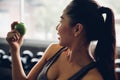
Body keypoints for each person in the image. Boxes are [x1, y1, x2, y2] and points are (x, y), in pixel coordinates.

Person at [6, 0, 117, 80]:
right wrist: (15, 49)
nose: (57, 27)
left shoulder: (92, 77)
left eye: (61, 20)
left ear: (77, 29)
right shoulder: (53, 50)